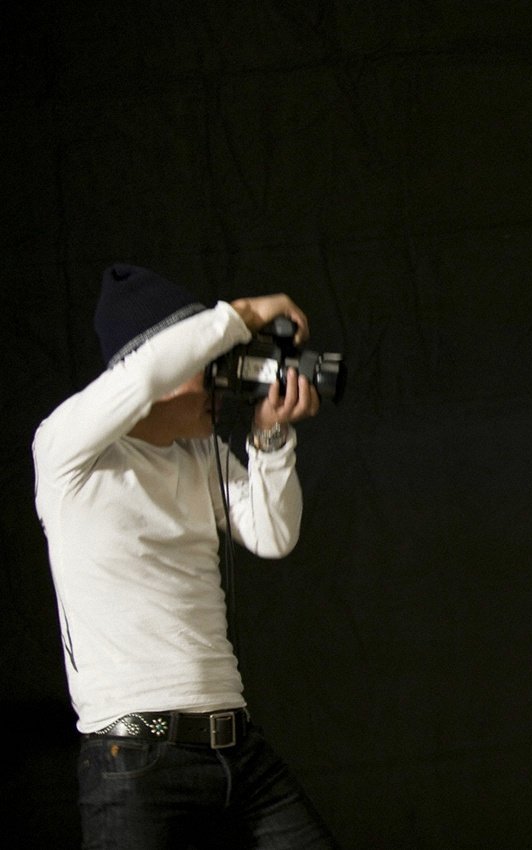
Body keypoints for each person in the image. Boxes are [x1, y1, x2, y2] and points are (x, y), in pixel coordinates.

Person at [32, 263, 340, 849]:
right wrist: (243, 313)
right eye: (209, 363)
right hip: (135, 761)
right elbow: (145, 373)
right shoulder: (68, 448)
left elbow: (273, 535)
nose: (223, 381)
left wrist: (270, 438)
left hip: (236, 748)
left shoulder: (199, 455)